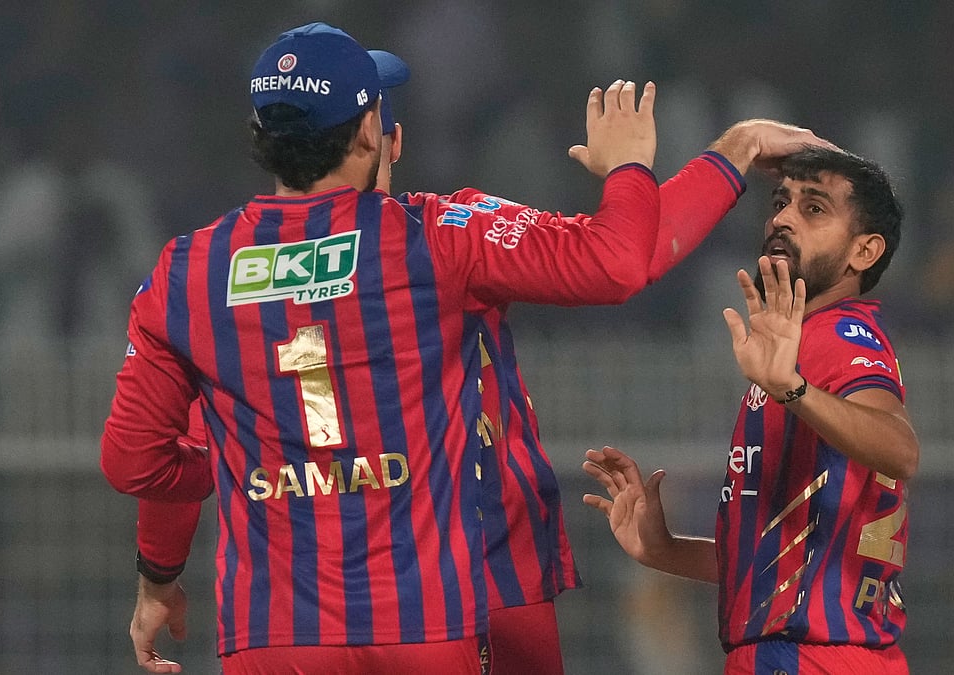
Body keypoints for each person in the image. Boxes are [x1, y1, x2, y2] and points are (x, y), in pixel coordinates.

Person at [104, 20, 837, 675]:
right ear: (373, 135)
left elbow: (143, 459)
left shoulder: (191, 276)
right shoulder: (443, 236)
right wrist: (664, 162)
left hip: (276, 627)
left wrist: (201, 520)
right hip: (451, 599)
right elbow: (619, 258)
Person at [583, 146, 918, 674]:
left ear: (864, 251)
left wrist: (792, 389)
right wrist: (663, 550)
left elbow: (900, 449)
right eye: (781, 203)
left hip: (810, 659)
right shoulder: (800, 350)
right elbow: (782, 561)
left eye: (814, 208)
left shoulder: (838, 335)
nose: (783, 218)